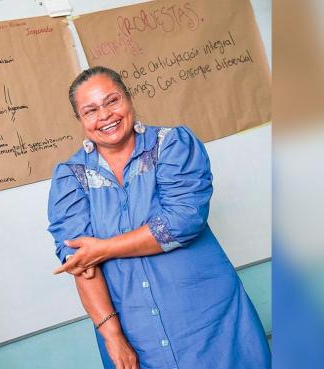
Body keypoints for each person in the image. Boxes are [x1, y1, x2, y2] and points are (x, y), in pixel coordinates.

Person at [47, 67, 270, 369]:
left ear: (128, 97)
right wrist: (113, 336)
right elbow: (80, 262)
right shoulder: (70, 178)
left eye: (112, 101)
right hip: (135, 334)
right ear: (80, 120)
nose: (105, 115)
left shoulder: (172, 145)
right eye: (91, 110)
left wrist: (103, 248)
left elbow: (182, 221)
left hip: (209, 322)